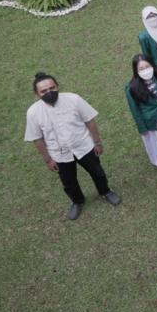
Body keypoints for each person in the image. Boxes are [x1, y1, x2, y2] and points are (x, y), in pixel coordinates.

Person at [24, 72, 121, 220]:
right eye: (44, 91)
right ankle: (77, 201)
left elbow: (90, 121)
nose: (49, 92)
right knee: (68, 182)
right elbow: (37, 139)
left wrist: (97, 142)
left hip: (84, 146)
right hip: (59, 154)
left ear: (57, 86)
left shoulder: (73, 99)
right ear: (37, 93)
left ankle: (105, 191)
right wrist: (48, 159)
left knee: (98, 172)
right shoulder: (33, 113)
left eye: (52, 88)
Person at [125, 54, 157, 169]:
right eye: (141, 69)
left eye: (147, 66)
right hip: (151, 120)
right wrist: (142, 128)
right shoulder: (131, 88)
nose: (145, 70)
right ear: (136, 71)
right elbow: (135, 110)